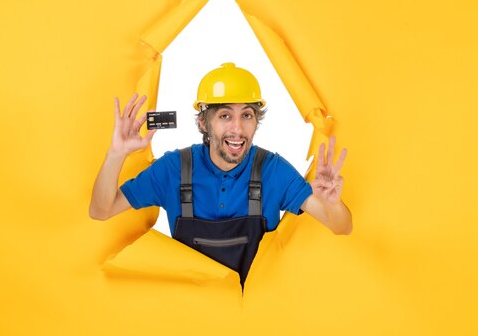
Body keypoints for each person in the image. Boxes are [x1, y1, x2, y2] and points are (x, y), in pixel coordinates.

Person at [90, 63, 352, 286]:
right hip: (193, 316)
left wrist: (332, 203)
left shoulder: (272, 170)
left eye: (247, 115)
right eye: (225, 115)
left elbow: (341, 227)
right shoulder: (174, 169)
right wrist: (116, 154)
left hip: (256, 315)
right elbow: (101, 210)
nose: (238, 128)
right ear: (203, 122)